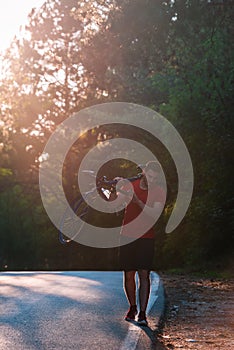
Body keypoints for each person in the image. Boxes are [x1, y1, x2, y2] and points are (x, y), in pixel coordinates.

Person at [110, 161, 166, 326]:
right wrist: (116, 188)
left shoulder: (158, 191)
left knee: (144, 275)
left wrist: (137, 201)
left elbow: (154, 214)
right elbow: (116, 204)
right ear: (143, 172)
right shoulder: (131, 185)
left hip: (146, 238)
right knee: (128, 274)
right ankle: (132, 307)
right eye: (149, 175)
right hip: (127, 235)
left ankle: (142, 313)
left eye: (155, 178)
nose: (151, 180)